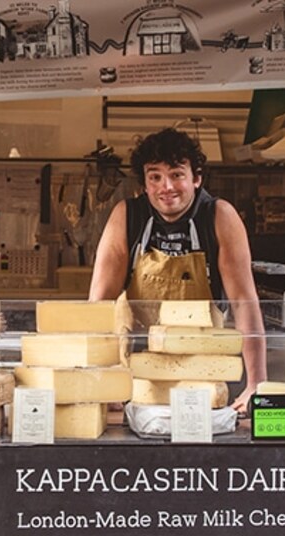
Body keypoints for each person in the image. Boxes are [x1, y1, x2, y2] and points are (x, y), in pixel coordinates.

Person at [88, 127, 267, 412]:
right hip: (139, 376)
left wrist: (257, 384)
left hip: (204, 374)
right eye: (155, 177)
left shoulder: (219, 217)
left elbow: (244, 303)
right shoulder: (127, 216)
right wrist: (101, 380)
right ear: (144, 184)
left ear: (196, 178)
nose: (166, 187)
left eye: (176, 175)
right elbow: (99, 305)